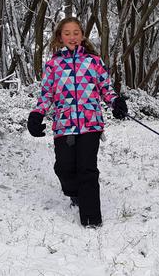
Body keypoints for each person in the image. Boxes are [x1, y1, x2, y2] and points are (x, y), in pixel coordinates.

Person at [27, 16, 129, 228]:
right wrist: (37, 114)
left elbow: (105, 89)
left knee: (87, 169)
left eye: (76, 33)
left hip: (90, 123)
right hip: (64, 125)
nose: (72, 37)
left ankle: (91, 219)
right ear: (60, 37)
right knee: (64, 168)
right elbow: (46, 95)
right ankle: (74, 192)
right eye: (67, 33)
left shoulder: (93, 61)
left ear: (82, 36)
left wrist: (116, 102)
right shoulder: (53, 65)